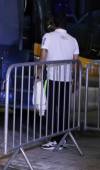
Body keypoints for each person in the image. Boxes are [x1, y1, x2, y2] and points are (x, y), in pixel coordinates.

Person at [39, 13, 79, 150]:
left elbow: (43, 57)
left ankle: (53, 140)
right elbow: (75, 63)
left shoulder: (48, 37)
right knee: (63, 109)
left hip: (52, 78)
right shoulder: (73, 40)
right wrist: (75, 80)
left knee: (50, 109)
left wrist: (38, 74)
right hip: (67, 79)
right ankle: (62, 138)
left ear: (54, 23)